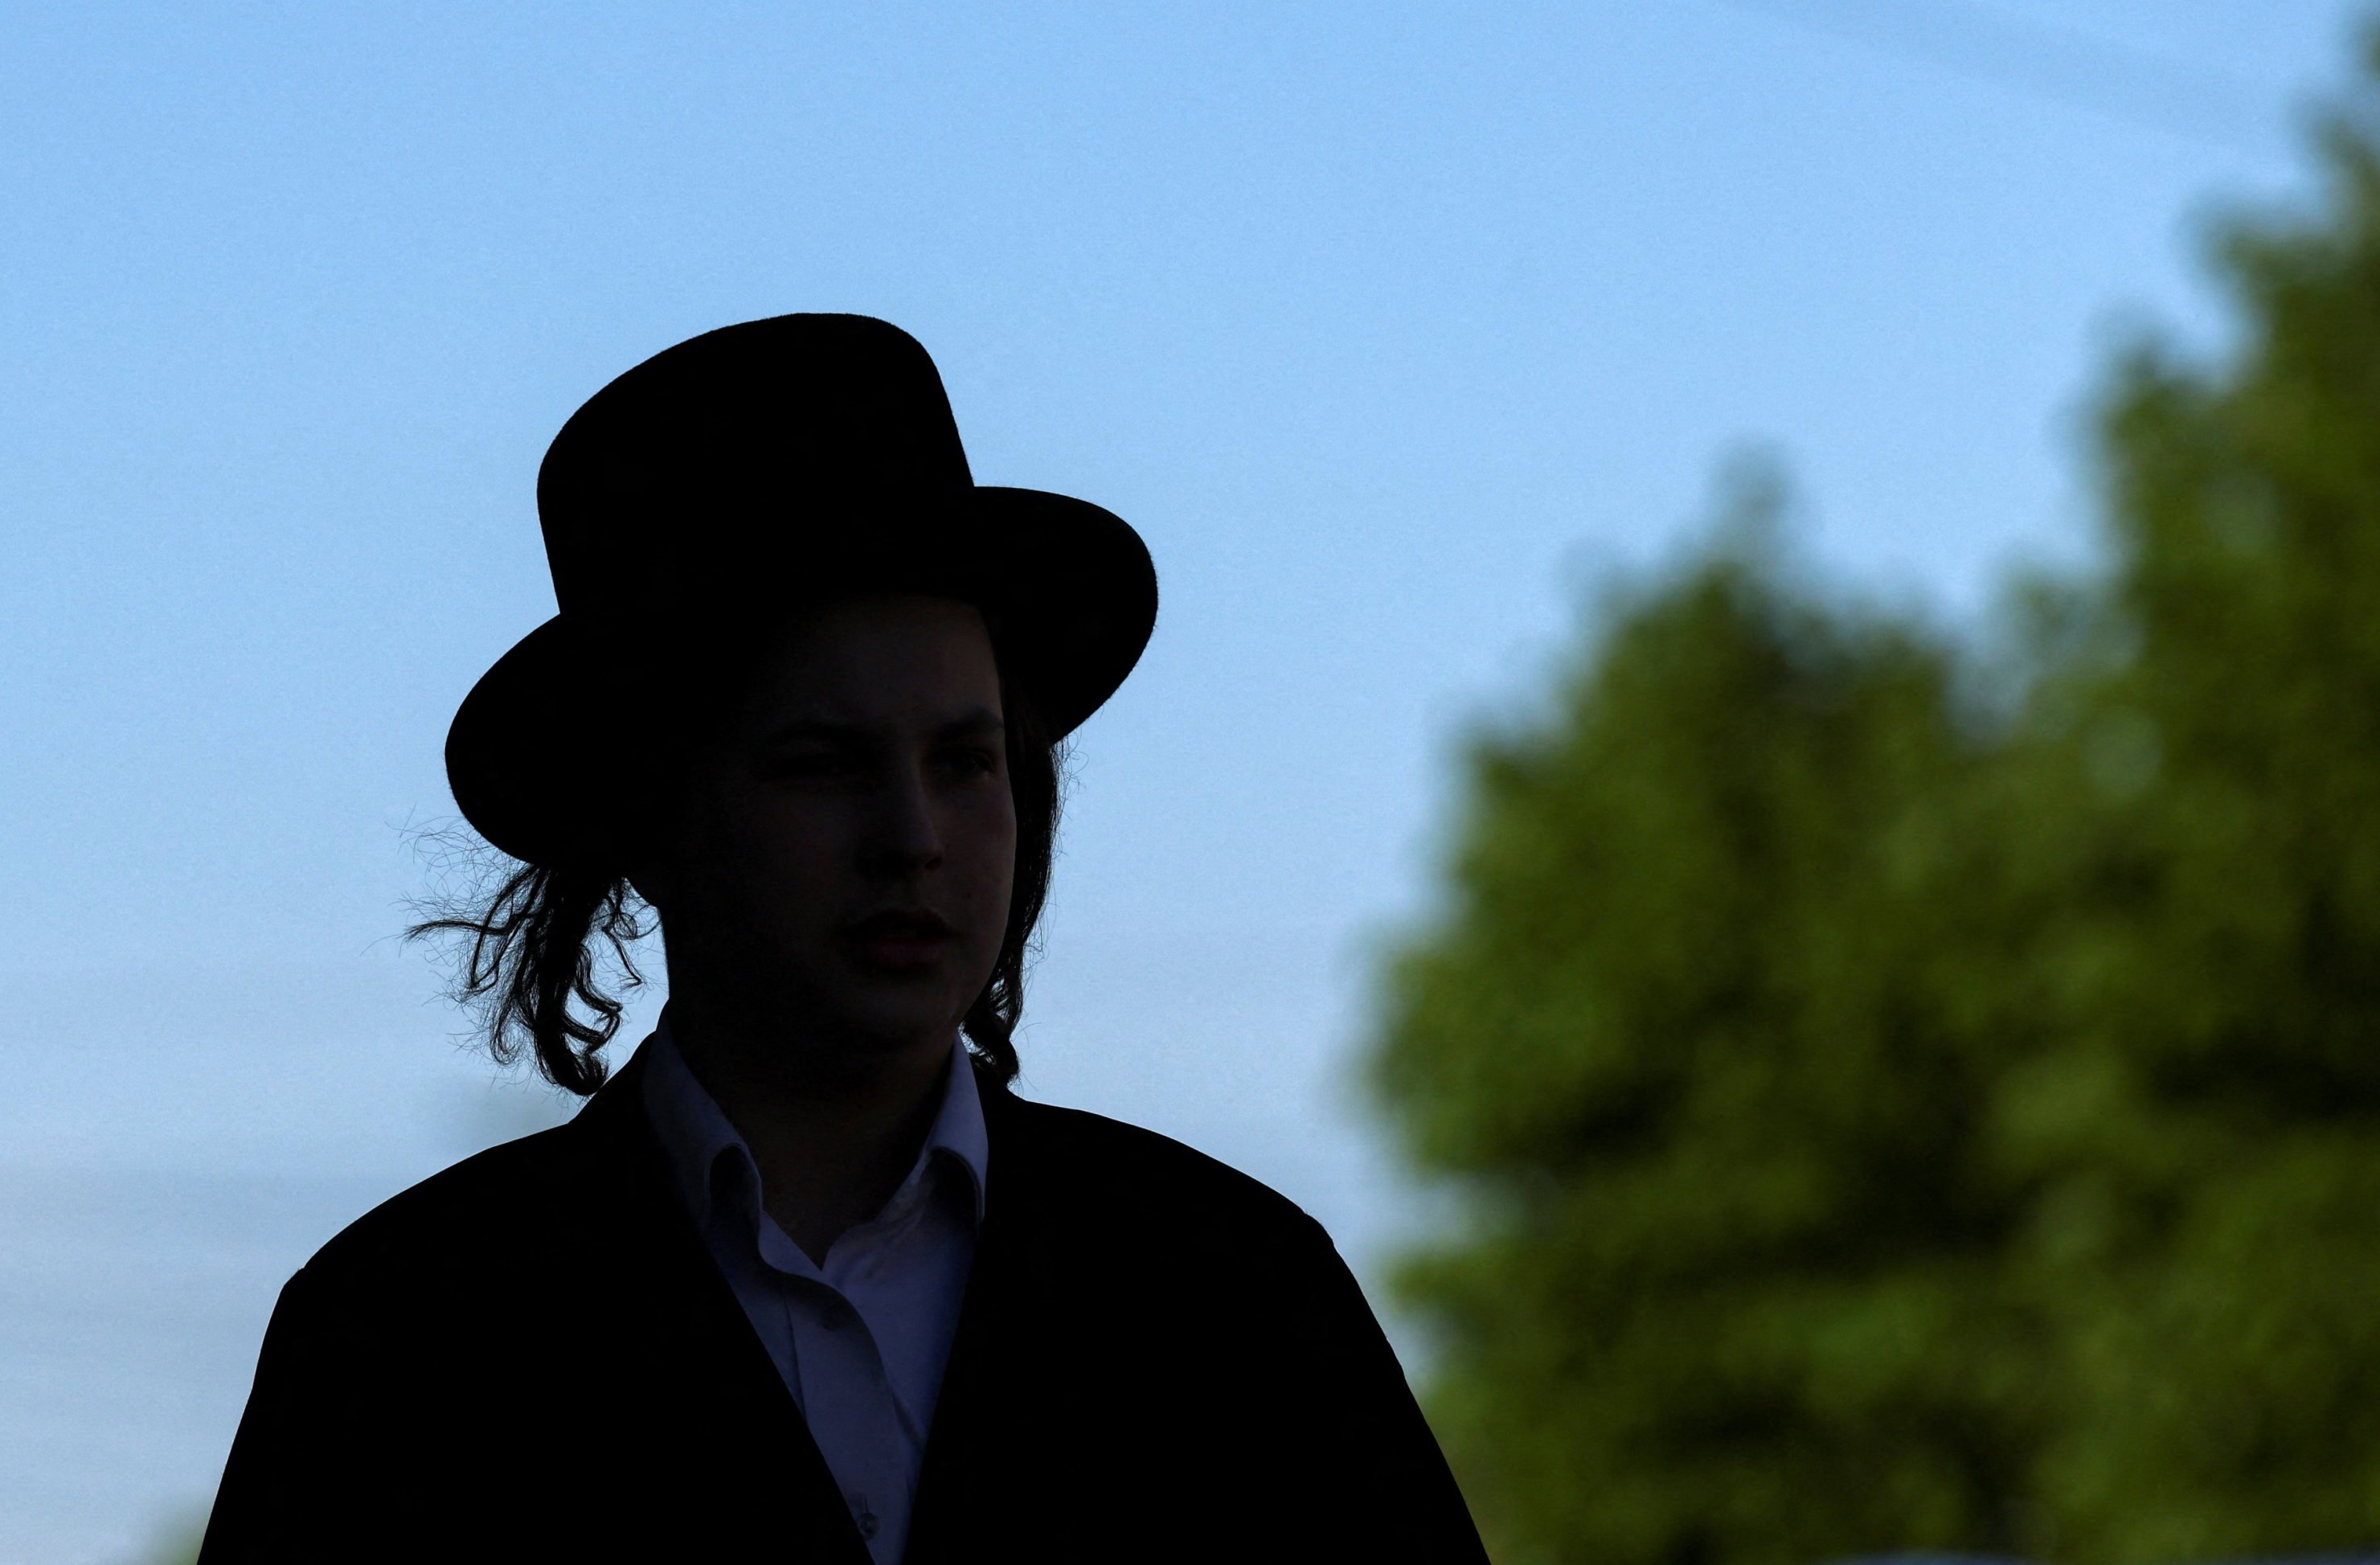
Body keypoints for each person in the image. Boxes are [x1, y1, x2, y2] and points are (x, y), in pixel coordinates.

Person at [199, 315, 1485, 1563]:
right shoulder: (410, 1339)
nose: (912, 835)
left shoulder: (1234, 1296)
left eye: (965, 760)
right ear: (649, 813)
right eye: (821, 762)